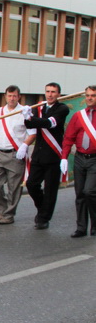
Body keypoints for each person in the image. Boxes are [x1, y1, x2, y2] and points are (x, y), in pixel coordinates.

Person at [21, 82, 70, 230]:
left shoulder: (62, 108)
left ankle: (43, 218)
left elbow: (50, 123)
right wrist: (27, 117)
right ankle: (43, 208)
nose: (50, 94)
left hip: (53, 155)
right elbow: (30, 125)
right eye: (48, 91)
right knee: (31, 184)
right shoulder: (39, 108)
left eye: (53, 92)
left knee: (50, 189)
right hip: (38, 154)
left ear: (58, 94)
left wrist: (31, 118)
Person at [0, 85, 35, 224]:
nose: (11, 98)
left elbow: (32, 133)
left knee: (14, 187)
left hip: (15, 154)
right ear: (5, 96)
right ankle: (2, 208)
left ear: (19, 97)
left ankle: (8, 214)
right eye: (9, 95)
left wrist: (24, 146)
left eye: (14, 96)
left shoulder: (25, 112)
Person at [60, 85, 96, 238]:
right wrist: (64, 157)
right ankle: (81, 227)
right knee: (80, 193)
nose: (89, 98)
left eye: (93, 95)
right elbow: (69, 137)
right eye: (87, 95)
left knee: (90, 191)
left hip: (95, 159)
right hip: (80, 158)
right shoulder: (78, 116)